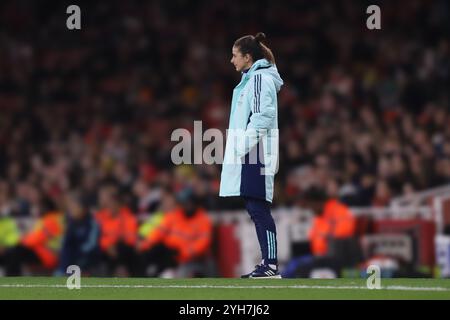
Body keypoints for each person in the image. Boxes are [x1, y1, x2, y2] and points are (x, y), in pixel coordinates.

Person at [219, 32, 284, 278]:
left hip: (255, 152)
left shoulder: (258, 79)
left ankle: (270, 265)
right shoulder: (255, 77)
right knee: (255, 206)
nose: (231, 60)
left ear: (248, 57)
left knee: (258, 207)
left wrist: (240, 146)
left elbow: (262, 117)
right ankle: (269, 263)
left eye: (235, 55)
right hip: (253, 151)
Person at [138, 188, 212, 277]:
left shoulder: (203, 220)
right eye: (184, 203)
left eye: (188, 203)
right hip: (169, 253)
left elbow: (202, 243)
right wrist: (145, 245)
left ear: (194, 203)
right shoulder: (175, 215)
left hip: (188, 258)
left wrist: (183, 253)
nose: (186, 206)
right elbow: (159, 233)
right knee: (151, 253)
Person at [95, 184, 139, 276]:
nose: (110, 206)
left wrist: (113, 242)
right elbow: (100, 235)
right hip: (106, 251)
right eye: (109, 203)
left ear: (119, 203)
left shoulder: (127, 216)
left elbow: (131, 238)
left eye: (113, 202)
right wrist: (108, 245)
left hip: (124, 251)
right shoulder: (101, 216)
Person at [56, 192, 100, 276]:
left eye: (74, 207)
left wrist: (77, 252)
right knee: (66, 251)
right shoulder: (70, 223)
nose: (71, 211)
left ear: (83, 208)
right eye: (70, 208)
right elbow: (65, 242)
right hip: (72, 256)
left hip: (87, 256)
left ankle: (65, 272)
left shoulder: (92, 223)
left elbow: (92, 244)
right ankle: (62, 271)